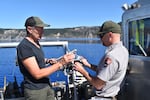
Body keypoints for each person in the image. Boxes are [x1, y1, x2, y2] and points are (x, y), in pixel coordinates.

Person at [17, 16, 75, 100]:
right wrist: (61, 63)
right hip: (36, 91)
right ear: (29, 29)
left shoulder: (35, 43)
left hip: (46, 85)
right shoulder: (24, 47)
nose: (42, 32)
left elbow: (35, 59)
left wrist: (48, 61)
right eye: (39, 29)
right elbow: (37, 74)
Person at [74, 20, 129, 100]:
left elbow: (98, 85)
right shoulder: (123, 51)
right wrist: (88, 65)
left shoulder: (112, 56)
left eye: (101, 36)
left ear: (110, 35)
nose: (100, 39)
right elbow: (107, 73)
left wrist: (82, 70)